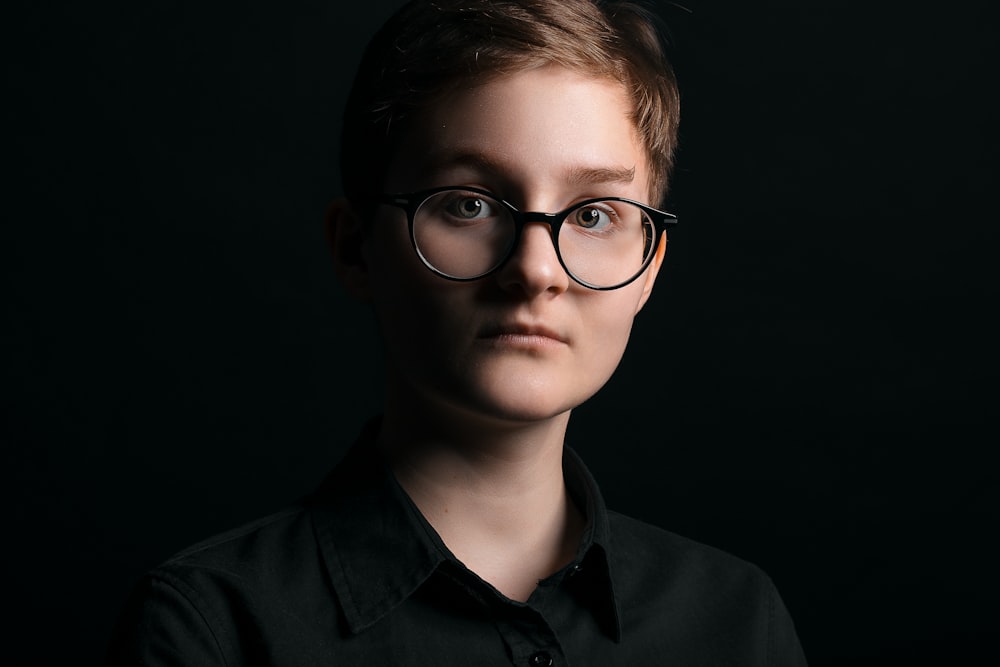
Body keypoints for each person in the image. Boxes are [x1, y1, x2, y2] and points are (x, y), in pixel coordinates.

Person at [106, 0, 809, 664]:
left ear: (648, 268)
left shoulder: (735, 621)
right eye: (470, 204)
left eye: (593, 214)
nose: (535, 271)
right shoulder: (215, 629)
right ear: (357, 248)